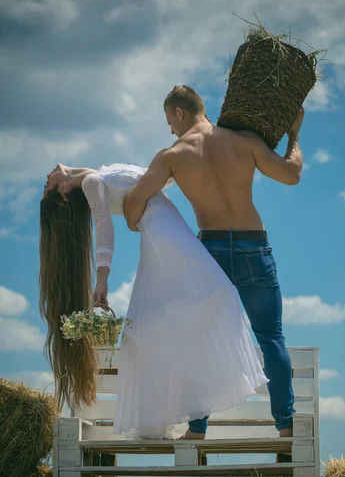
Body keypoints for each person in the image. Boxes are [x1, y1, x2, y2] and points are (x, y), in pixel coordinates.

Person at [123, 85, 304, 440]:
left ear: (179, 112)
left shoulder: (172, 156)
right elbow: (291, 173)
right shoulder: (244, 141)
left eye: (169, 121)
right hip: (253, 247)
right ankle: (286, 425)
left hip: (209, 253)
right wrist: (294, 135)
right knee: (270, 336)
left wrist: (141, 224)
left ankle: (197, 430)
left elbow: (133, 202)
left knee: (200, 338)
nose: (170, 130)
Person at [39, 162, 267, 440]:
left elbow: (159, 179)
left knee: (163, 321)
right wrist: (102, 278)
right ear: (63, 187)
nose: (47, 175)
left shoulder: (99, 173)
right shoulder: (91, 183)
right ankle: (188, 420)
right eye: (47, 184)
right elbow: (104, 228)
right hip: (164, 236)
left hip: (167, 232)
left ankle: (187, 420)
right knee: (163, 320)